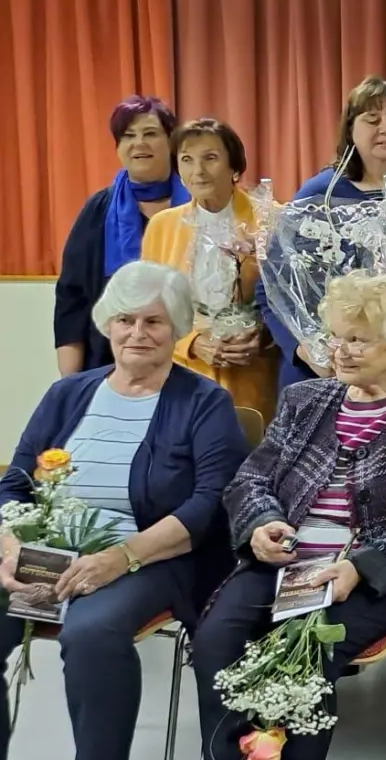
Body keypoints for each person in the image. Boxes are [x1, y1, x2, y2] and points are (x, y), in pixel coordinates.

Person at [191, 271, 386, 760]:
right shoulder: (306, 400)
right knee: (216, 639)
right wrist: (260, 525)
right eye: (335, 338)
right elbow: (249, 481)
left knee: (311, 653)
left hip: (380, 577)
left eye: (358, 340)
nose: (340, 351)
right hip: (285, 561)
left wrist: (359, 568)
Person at [0, 261, 248, 760]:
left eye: (154, 322)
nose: (137, 333)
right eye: (126, 320)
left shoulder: (204, 402)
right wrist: (10, 547)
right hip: (49, 555)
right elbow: (14, 482)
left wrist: (121, 557)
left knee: (91, 631)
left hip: (152, 559)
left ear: (176, 327)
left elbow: (210, 504)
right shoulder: (68, 393)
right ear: (108, 323)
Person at [257, 76, 386, 392]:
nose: (385, 128)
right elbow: (271, 288)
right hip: (335, 370)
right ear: (350, 129)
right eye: (372, 119)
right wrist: (303, 349)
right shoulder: (320, 194)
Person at [142, 118, 278, 420]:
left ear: (235, 168)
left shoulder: (273, 220)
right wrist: (191, 343)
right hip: (185, 378)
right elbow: (150, 309)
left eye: (211, 158)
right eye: (187, 160)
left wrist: (264, 338)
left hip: (255, 376)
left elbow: (295, 304)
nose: (198, 171)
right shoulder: (162, 227)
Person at [55, 96, 186, 375]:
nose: (139, 143)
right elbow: (72, 299)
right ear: (119, 147)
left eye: (150, 133)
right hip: (111, 365)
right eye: (128, 136)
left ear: (171, 141)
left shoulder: (199, 205)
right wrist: (70, 384)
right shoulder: (97, 211)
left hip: (191, 361)